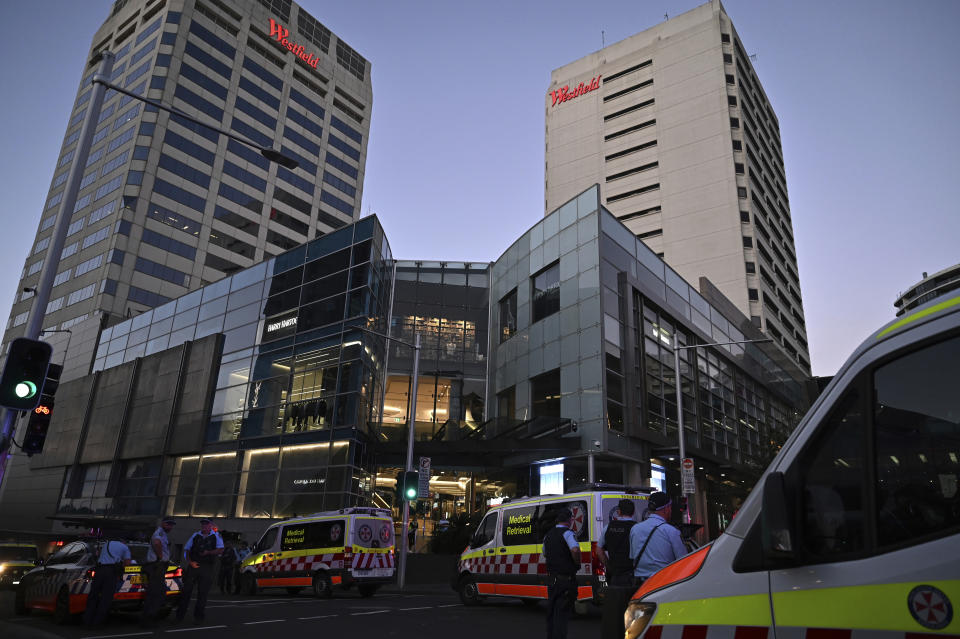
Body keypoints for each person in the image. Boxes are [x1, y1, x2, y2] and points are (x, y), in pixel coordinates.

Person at [629, 492, 687, 586]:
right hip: (663, 584)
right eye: (670, 507)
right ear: (666, 509)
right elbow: (683, 560)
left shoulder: (635, 529)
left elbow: (632, 557)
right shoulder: (671, 531)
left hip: (640, 586)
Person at [599, 500, 638, 639]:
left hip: (615, 575)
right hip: (632, 575)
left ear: (619, 511)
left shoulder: (608, 527)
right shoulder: (636, 528)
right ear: (633, 512)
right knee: (633, 612)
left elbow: (599, 550)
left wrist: (609, 566)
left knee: (615, 614)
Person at [176, 519, 223, 625]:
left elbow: (220, 549)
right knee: (186, 592)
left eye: (206, 524)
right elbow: (187, 549)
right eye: (203, 524)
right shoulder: (195, 535)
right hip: (194, 565)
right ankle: (179, 616)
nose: (204, 526)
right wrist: (190, 562)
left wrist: (208, 552)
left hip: (206, 567)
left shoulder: (216, 536)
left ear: (211, 525)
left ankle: (199, 617)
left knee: (203, 593)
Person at [543, 507, 580, 639]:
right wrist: (577, 562)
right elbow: (575, 550)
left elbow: (545, 554)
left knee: (552, 613)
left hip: (552, 580)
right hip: (565, 580)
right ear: (569, 520)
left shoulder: (548, 535)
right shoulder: (568, 533)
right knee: (562, 615)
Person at [83, 537, 132, 626]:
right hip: (111, 572)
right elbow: (128, 563)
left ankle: (87, 620)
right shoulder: (125, 547)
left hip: (99, 570)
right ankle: (97, 623)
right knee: (106, 598)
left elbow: (100, 555)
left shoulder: (107, 544)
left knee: (93, 596)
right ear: (124, 542)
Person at [141, 517, 176, 626]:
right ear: (162, 523)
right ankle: (149, 619)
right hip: (157, 566)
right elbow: (156, 543)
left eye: (171, 524)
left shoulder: (163, 534)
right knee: (157, 594)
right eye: (168, 524)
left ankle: (148, 619)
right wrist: (161, 557)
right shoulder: (160, 533)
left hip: (157, 566)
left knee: (155, 593)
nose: (170, 526)